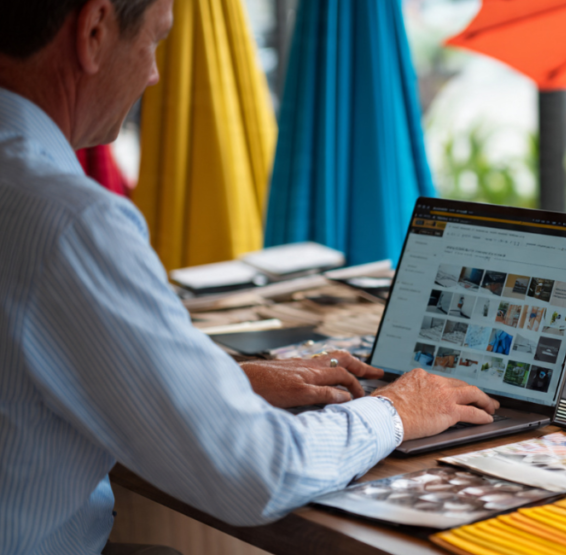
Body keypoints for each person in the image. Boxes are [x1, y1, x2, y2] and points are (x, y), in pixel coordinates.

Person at [0, 1, 500, 554]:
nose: (154, 73)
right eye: (155, 41)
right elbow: (257, 473)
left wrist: (226, 384)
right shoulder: (71, 222)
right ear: (94, 32)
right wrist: (399, 410)